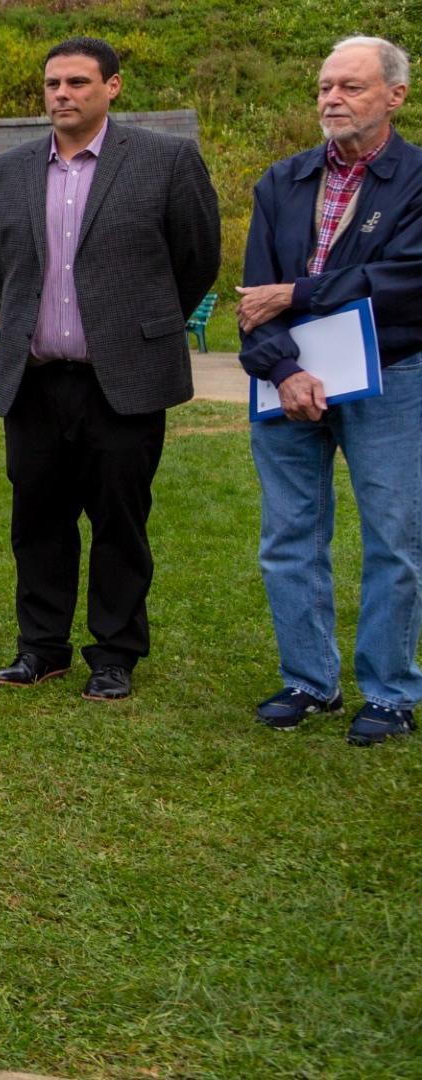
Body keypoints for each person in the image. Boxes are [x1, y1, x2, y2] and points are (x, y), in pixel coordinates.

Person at [0, 36, 221, 702]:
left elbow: (195, 260)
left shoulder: (166, 162)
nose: (62, 94)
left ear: (112, 87)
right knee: (37, 523)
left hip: (125, 381)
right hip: (35, 382)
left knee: (119, 522)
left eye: (78, 82)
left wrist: (138, 327)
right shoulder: (5, 173)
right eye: (53, 83)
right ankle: (41, 649)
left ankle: (114, 654)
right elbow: (2, 270)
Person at [237, 36, 420, 745]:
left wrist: (300, 292)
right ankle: (308, 681)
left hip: (391, 378)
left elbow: (406, 283)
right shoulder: (281, 180)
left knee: (394, 540)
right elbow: (256, 298)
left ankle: (389, 692)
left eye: (350, 86)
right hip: (288, 378)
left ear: (394, 96)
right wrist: (284, 370)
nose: (331, 100)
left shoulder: (417, 180)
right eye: (323, 87)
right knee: (289, 536)